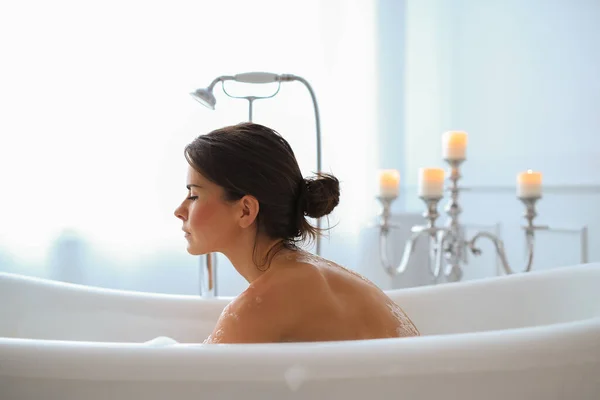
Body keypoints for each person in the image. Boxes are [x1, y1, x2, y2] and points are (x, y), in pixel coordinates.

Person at [174, 122, 420, 343]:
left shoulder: (262, 304)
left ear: (246, 210)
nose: (179, 210)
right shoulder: (307, 273)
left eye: (194, 195)